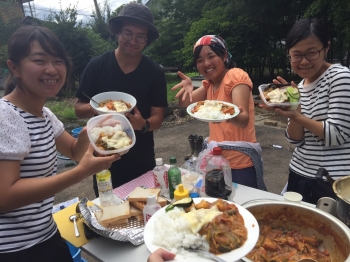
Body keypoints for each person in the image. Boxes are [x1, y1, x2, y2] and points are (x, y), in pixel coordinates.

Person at [0, 26, 119, 261]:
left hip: (44, 233)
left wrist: (89, 132)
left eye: (58, 61)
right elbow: (5, 197)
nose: (52, 70)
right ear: (14, 67)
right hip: (15, 249)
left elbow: (74, 151)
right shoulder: (6, 115)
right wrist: (80, 173)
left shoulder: (43, 113)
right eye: (39, 60)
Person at [74, 2, 168, 196]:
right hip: (103, 158)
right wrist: (99, 110)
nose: (133, 40)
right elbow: (78, 108)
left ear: (147, 40)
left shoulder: (155, 72)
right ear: (117, 32)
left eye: (140, 36)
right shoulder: (97, 65)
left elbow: (158, 117)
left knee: (145, 209)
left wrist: (142, 124)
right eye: (127, 33)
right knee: (108, 213)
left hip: (141, 159)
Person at [268, 18, 350, 204]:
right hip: (299, 173)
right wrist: (293, 109)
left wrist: (297, 115)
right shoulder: (300, 86)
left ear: (326, 48)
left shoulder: (340, 77)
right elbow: (295, 140)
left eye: (311, 53)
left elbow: (337, 135)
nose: (303, 61)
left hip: (330, 181)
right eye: (296, 55)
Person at [172, 35, 266, 190]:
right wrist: (188, 88)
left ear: (224, 56)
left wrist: (222, 115)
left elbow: (243, 120)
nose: (206, 63)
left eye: (211, 56)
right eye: (200, 60)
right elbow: (185, 104)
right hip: (216, 160)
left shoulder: (235, 75)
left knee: (242, 207)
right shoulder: (210, 84)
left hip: (239, 163)